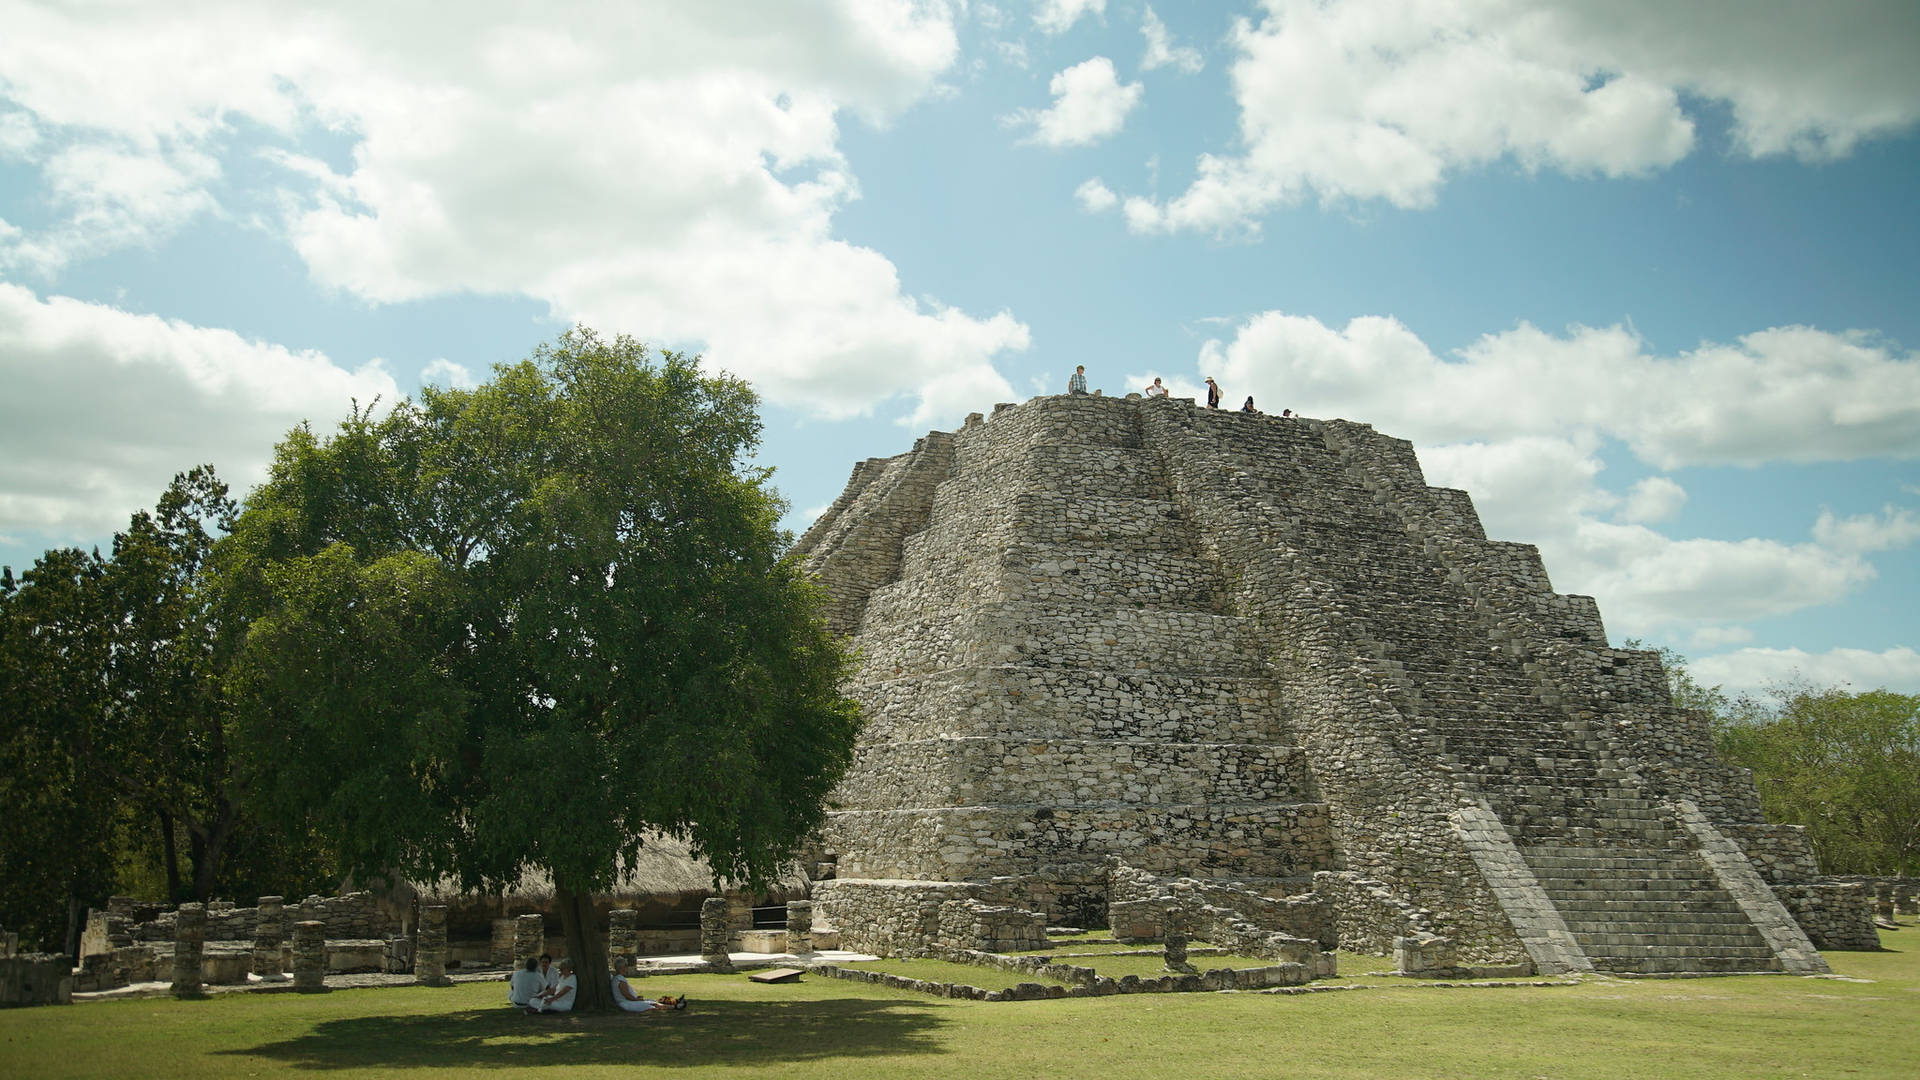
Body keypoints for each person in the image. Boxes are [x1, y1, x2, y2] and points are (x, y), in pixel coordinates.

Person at [611, 957, 689, 1013]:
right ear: (622, 968)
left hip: (628, 1002)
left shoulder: (618, 978)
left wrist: (637, 998)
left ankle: (675, 1002)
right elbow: (627, 996)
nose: (627, 968)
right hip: (626, 1004)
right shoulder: (620, 980)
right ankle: (676, 1006)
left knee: (652, 1001)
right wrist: (637, 1000)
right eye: (626, 966)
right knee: (651, 1004)